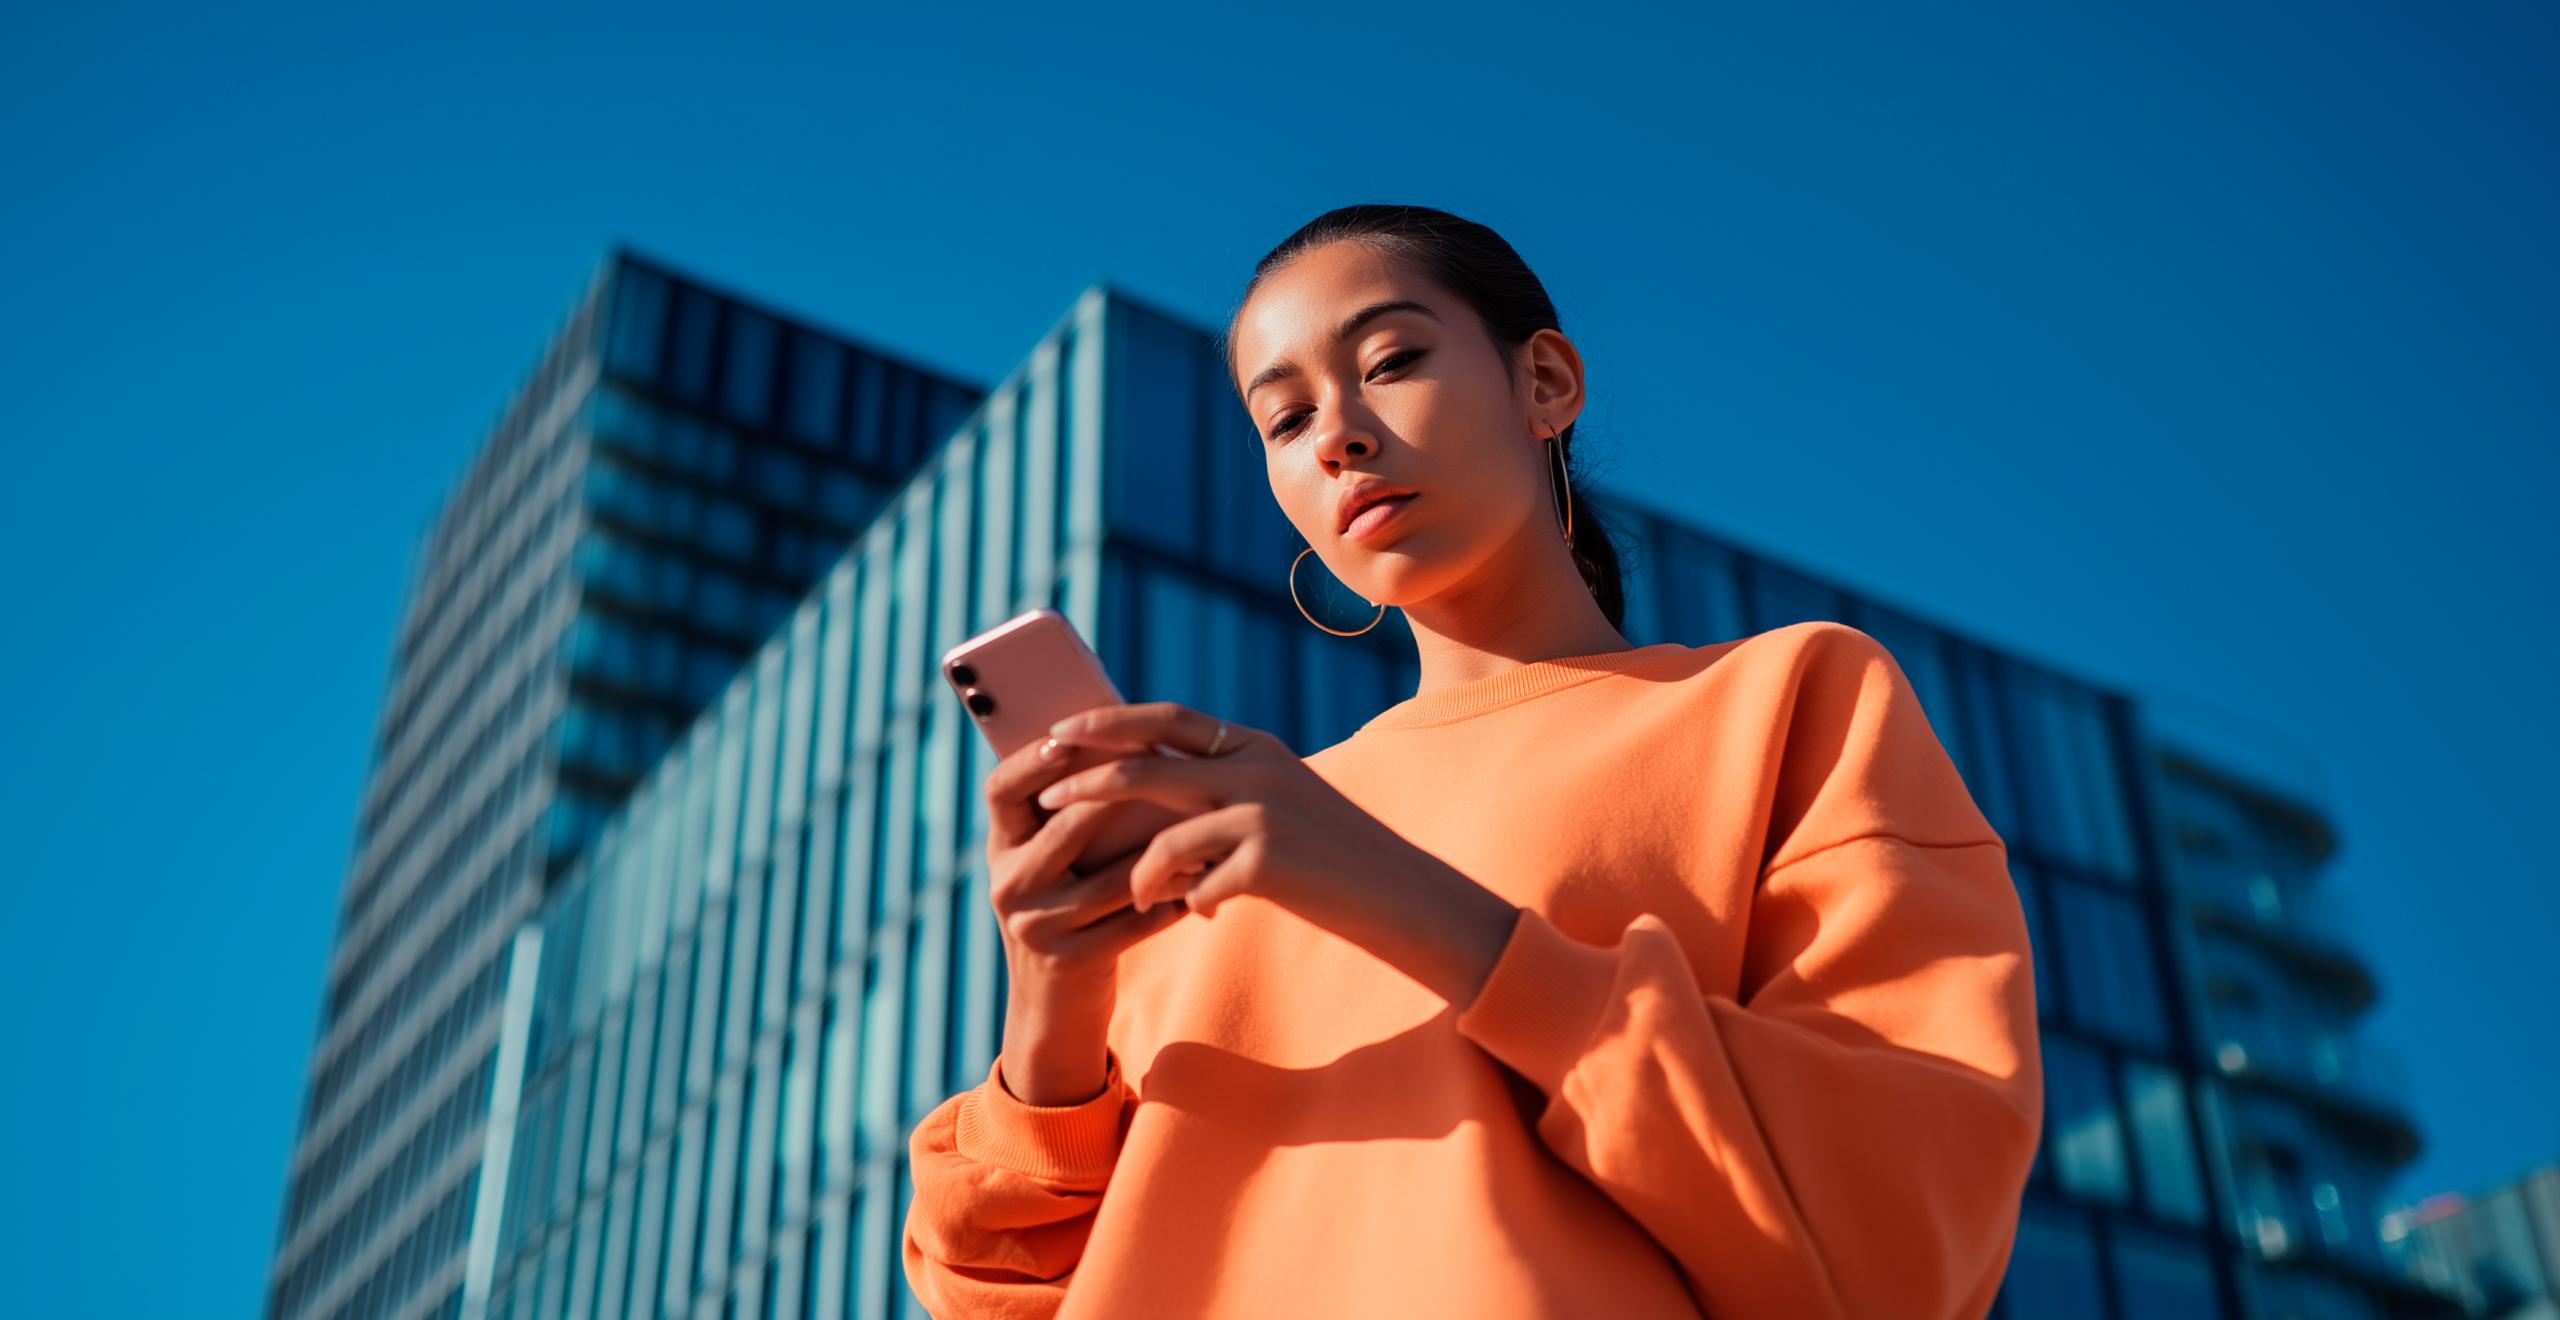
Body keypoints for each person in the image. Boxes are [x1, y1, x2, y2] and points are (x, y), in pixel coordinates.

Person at [901, 203, 2042, 1318]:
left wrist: (1401, 897)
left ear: (1544, 382)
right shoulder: (1213, 848)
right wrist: (1052, 1007)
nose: (1337, 436)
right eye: (1285, 420)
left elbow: (1906, 1221)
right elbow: (999, 1292)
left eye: (1391, 361)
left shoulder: (1782, 700)